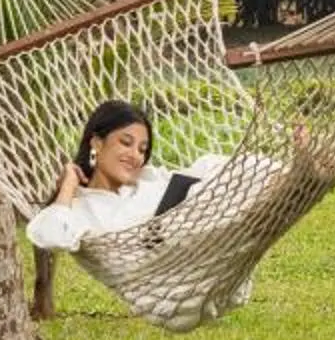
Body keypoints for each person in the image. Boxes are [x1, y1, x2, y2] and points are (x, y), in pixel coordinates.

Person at [24, 99, 227, 252]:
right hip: (175, 258)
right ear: (96, 143)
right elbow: (50, 236)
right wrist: (68, 186)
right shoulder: (80, 208)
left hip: (216, 221)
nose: (135, 156)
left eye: (142, 149)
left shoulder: (148, 177)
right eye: (126, 143)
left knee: (216, 165)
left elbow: (208, 173)